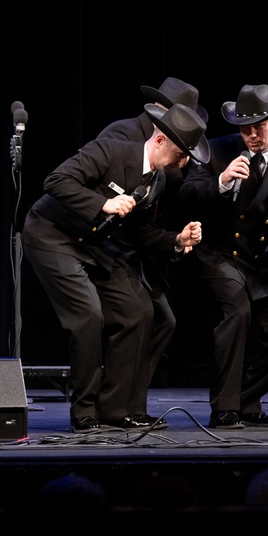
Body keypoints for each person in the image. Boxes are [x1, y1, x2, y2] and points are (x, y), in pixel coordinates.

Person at [22, 101, 209, 433]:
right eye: (182, 153)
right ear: (161, 139)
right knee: (89, 316)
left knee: (138, 312)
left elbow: (143, 233)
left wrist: (176, 241)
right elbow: (56, 180)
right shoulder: (111, 150)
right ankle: (84, 412)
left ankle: (117, 409)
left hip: (95, 246)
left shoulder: (158, 182)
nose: (184, 162)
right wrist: (102, 203)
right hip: (52, 237)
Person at [178, 84, 268, 429]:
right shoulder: (218, 150)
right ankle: (225, 408)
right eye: (244, 127)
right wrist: (221, 181)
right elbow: (187, 192)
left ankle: (245, 398)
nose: (251, 134)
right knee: (237, 313)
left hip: (262, 257)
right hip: (220, 253)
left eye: (258, 126)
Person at [96, 77, 206, 418]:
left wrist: (175, 240)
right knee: (140, 315)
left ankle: (132, 404)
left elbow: (146, 225)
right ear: (163, 113)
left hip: (132, 250)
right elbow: (95, 187)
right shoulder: (123, 136)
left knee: (164, 321)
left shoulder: (168, 156)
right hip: (100, 244)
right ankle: (112, 405)